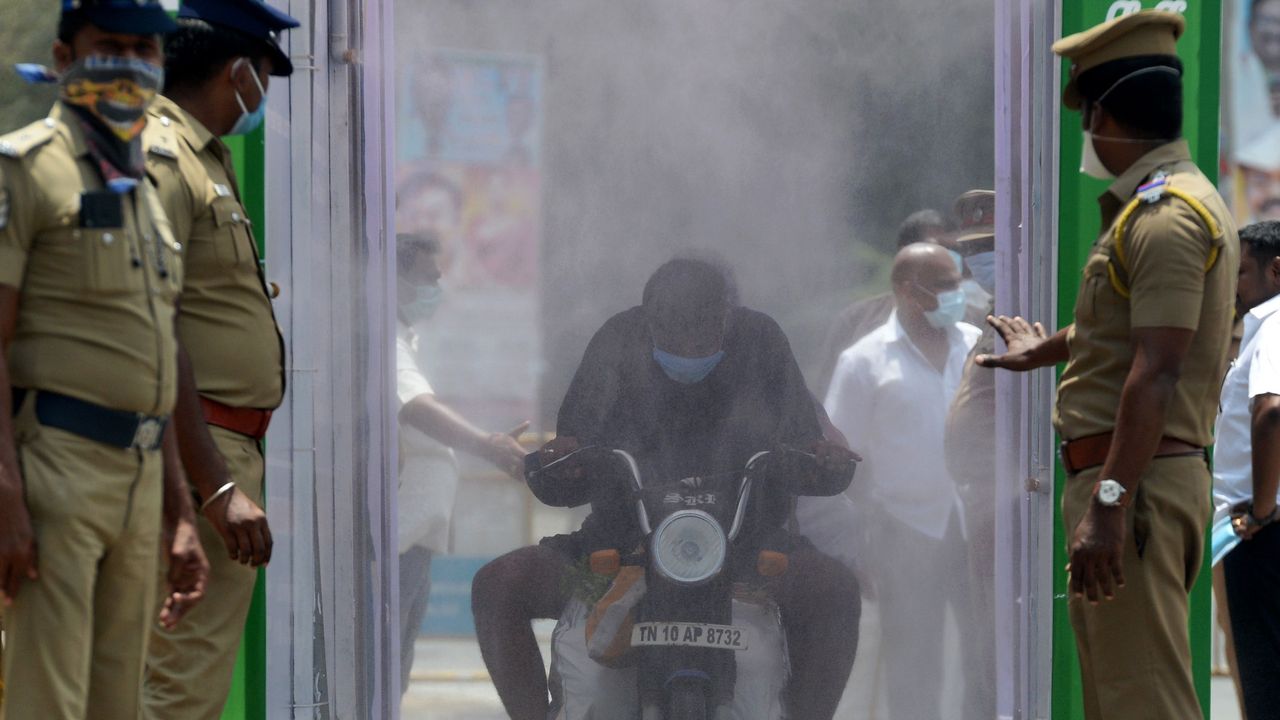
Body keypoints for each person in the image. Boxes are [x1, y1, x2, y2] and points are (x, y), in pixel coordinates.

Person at [980, 11, 1239, 719]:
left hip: (1136, 486)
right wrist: (1051, 347)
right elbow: (1130, 326)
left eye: (1088, 114)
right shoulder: (1156, 210)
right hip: (1132, 480)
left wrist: (1110, 505)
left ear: (1108, 114)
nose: (1087, 134)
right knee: (1120, 701)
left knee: (1144, 704)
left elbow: (1157, 366)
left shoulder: (1166, 217)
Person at [472, 257, 861, 720]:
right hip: (615, 556)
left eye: (702, 327)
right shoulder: (616, 339)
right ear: (647, 317)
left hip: (749, 557)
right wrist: (564, 462)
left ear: (727, 315)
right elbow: (572, 461)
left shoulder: (762, 340)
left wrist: (822, 458)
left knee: (835, 590)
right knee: (499, 584)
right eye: (672, 328)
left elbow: (803, 443)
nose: (688, 341)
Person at [0, 2, 212, 718]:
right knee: (48, 701)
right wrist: (5, 494)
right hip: (55, 464)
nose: (127, 65)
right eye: (108, 46)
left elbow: (158, 356)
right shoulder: (25, 169)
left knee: (117, 702)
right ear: (63, 59)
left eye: (144, 51)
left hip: (142, 476)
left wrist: (181, 511)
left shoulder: (147, 191)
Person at [138, 2, 301, 717]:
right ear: (239, 72)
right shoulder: (165, 156)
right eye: (264, 76)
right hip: (198, 447)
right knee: (181, 685)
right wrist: (213, 486)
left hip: (218, 444)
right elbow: (152, 324)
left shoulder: (205, 156)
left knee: (173, 676)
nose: (261, 95)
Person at [825, 242, 980, 720]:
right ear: (908, 292)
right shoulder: (864, 362)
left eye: (959, 284)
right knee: (915, 668)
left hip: (977, 527)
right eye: (946, 287)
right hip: (904, 531)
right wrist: (859, 542)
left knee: (985, 659)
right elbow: (840, 463)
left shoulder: (976, 344)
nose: (960, 295)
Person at [393, 231, 528, 696]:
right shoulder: (383, 341)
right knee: (385, 671)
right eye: (428, 278)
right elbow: (417, 408)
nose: (437, 288)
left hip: (411, 542)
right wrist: (487, 445)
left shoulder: (402, 339)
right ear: (395, 281)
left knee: (395, 671)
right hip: (394, 546)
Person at [1214, 220, 1280, 719]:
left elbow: (1271, 410)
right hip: (1260, 531)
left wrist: (1259, 509)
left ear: (1275, 270)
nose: (1232, 285)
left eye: (1240, 272)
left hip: (1262, 536)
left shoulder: (1275, 324)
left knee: (1264, 681)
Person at [943, 188, 997, 720]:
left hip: (1011, 511)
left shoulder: (1031, 316)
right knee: (983, 656)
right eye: (974, 247)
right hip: (983, 512)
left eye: (991, 244)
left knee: (997, 655)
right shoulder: (995, 317)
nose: (982, 259)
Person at [814, 208, 947, 394]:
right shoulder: (856, 322)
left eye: (955, 251)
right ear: (905, 255)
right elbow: (826, 403)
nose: (947, 260)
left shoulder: (975, 325)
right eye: (937, 249)